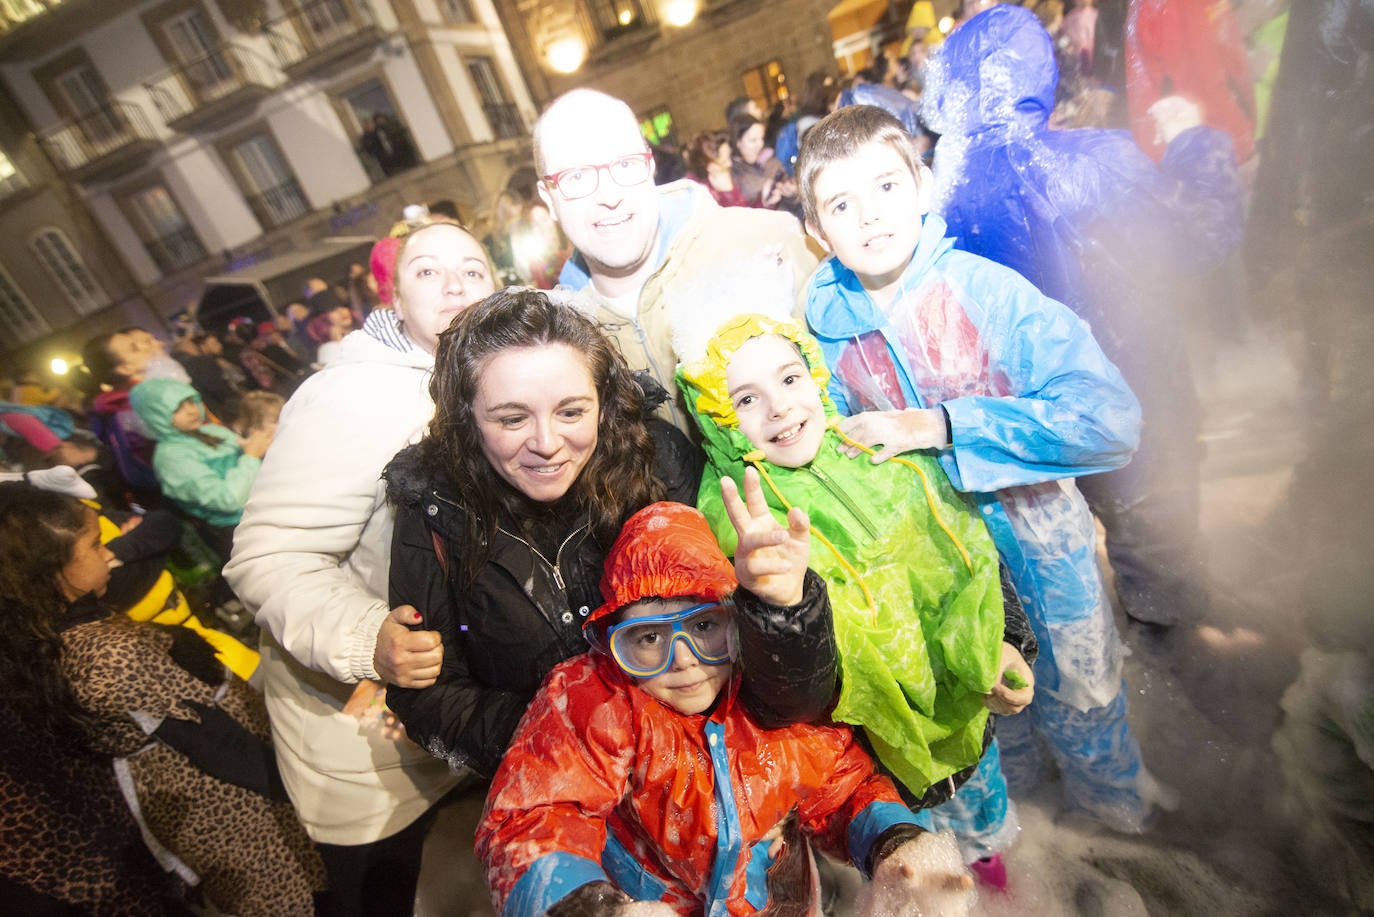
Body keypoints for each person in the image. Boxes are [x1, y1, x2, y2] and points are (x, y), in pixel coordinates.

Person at [797, 104, 1173, 833]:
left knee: (1085, 711)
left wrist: (945, 424)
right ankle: (1041, 870)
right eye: (842, 203)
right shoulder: (821, 332)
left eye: (885, 187)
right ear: (816, 230)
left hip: (1045, 558)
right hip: (941, 589)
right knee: (994, 741)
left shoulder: (986, 292)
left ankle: (1127, 846)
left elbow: (1110, 418)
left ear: (924, 185)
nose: (870, 216)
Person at [675, 300, 1037, 878]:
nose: (779, 408)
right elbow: (776, 678)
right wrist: (769, 596)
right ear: (717, 418)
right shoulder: (737, 516)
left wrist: (1003, 640)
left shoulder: (879, 450)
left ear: (815, 376)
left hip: (970, 700)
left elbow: (970, 554)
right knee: (912, 871)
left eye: (791, 378)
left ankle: (994, 866)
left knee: (984, 832)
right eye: (745, 399)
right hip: (869, 756)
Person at [477, 499, 976, 916]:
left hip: (777, 900)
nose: (684, 662)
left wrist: (896, 844)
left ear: (738, 623)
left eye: (704, 627)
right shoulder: (600, 697)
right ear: (614, 645)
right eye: (648, 637)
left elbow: (845, 789)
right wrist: (590, 907)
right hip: (646, 902)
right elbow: (533, 815)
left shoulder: (768, 699)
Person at [921, 4, 1243, 629]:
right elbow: (1201, 236)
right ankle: (1177, 646)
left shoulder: (933, 194)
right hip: (1132, 400)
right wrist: (1193, 144)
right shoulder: (1095, 161)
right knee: (1158, 559)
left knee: (1067, 575)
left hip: (1027, 430)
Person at [223, 219, 494, 916]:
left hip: (467, 718)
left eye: (473, 266)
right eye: (428, 271)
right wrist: (367, 635)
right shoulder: (349, 397)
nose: (455, 282)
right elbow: (269, 555)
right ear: (392, 297)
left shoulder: (502, 371)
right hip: (373, 757)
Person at [382, 289, 706, 778]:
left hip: (705, 776)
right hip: (563, 804)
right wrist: (572, 735)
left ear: (604, 401)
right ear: (469, 416)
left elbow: (727, 630)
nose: (547, 444)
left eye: (572, 412)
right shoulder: (434, 506)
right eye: (512, 418)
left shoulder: (656, 461)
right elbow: (430, 698)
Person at [0, 482, 325, 914]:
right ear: (52, 572)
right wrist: (303, 786)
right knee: (297, 895)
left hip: (227, 797)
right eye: (96, 546)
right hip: (237, 810)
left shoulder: (61, 636)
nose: (107, 554)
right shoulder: (107, 655)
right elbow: (215, 745)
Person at [532, 88, 819, 431]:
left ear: (650, 167)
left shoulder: (766, 242)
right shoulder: (559, 344)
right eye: (575, 177)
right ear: (547, 199)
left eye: (624, 165)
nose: (608, 196)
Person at [129, 378, 271, 561]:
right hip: (242, 529)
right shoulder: (171, 458)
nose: (191, 410)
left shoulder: (210, 431)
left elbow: (249, 457)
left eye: (190, 401)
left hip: (264, 507)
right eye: (177, 408)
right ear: (156, 416)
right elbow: (229, 499)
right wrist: (251, 455)